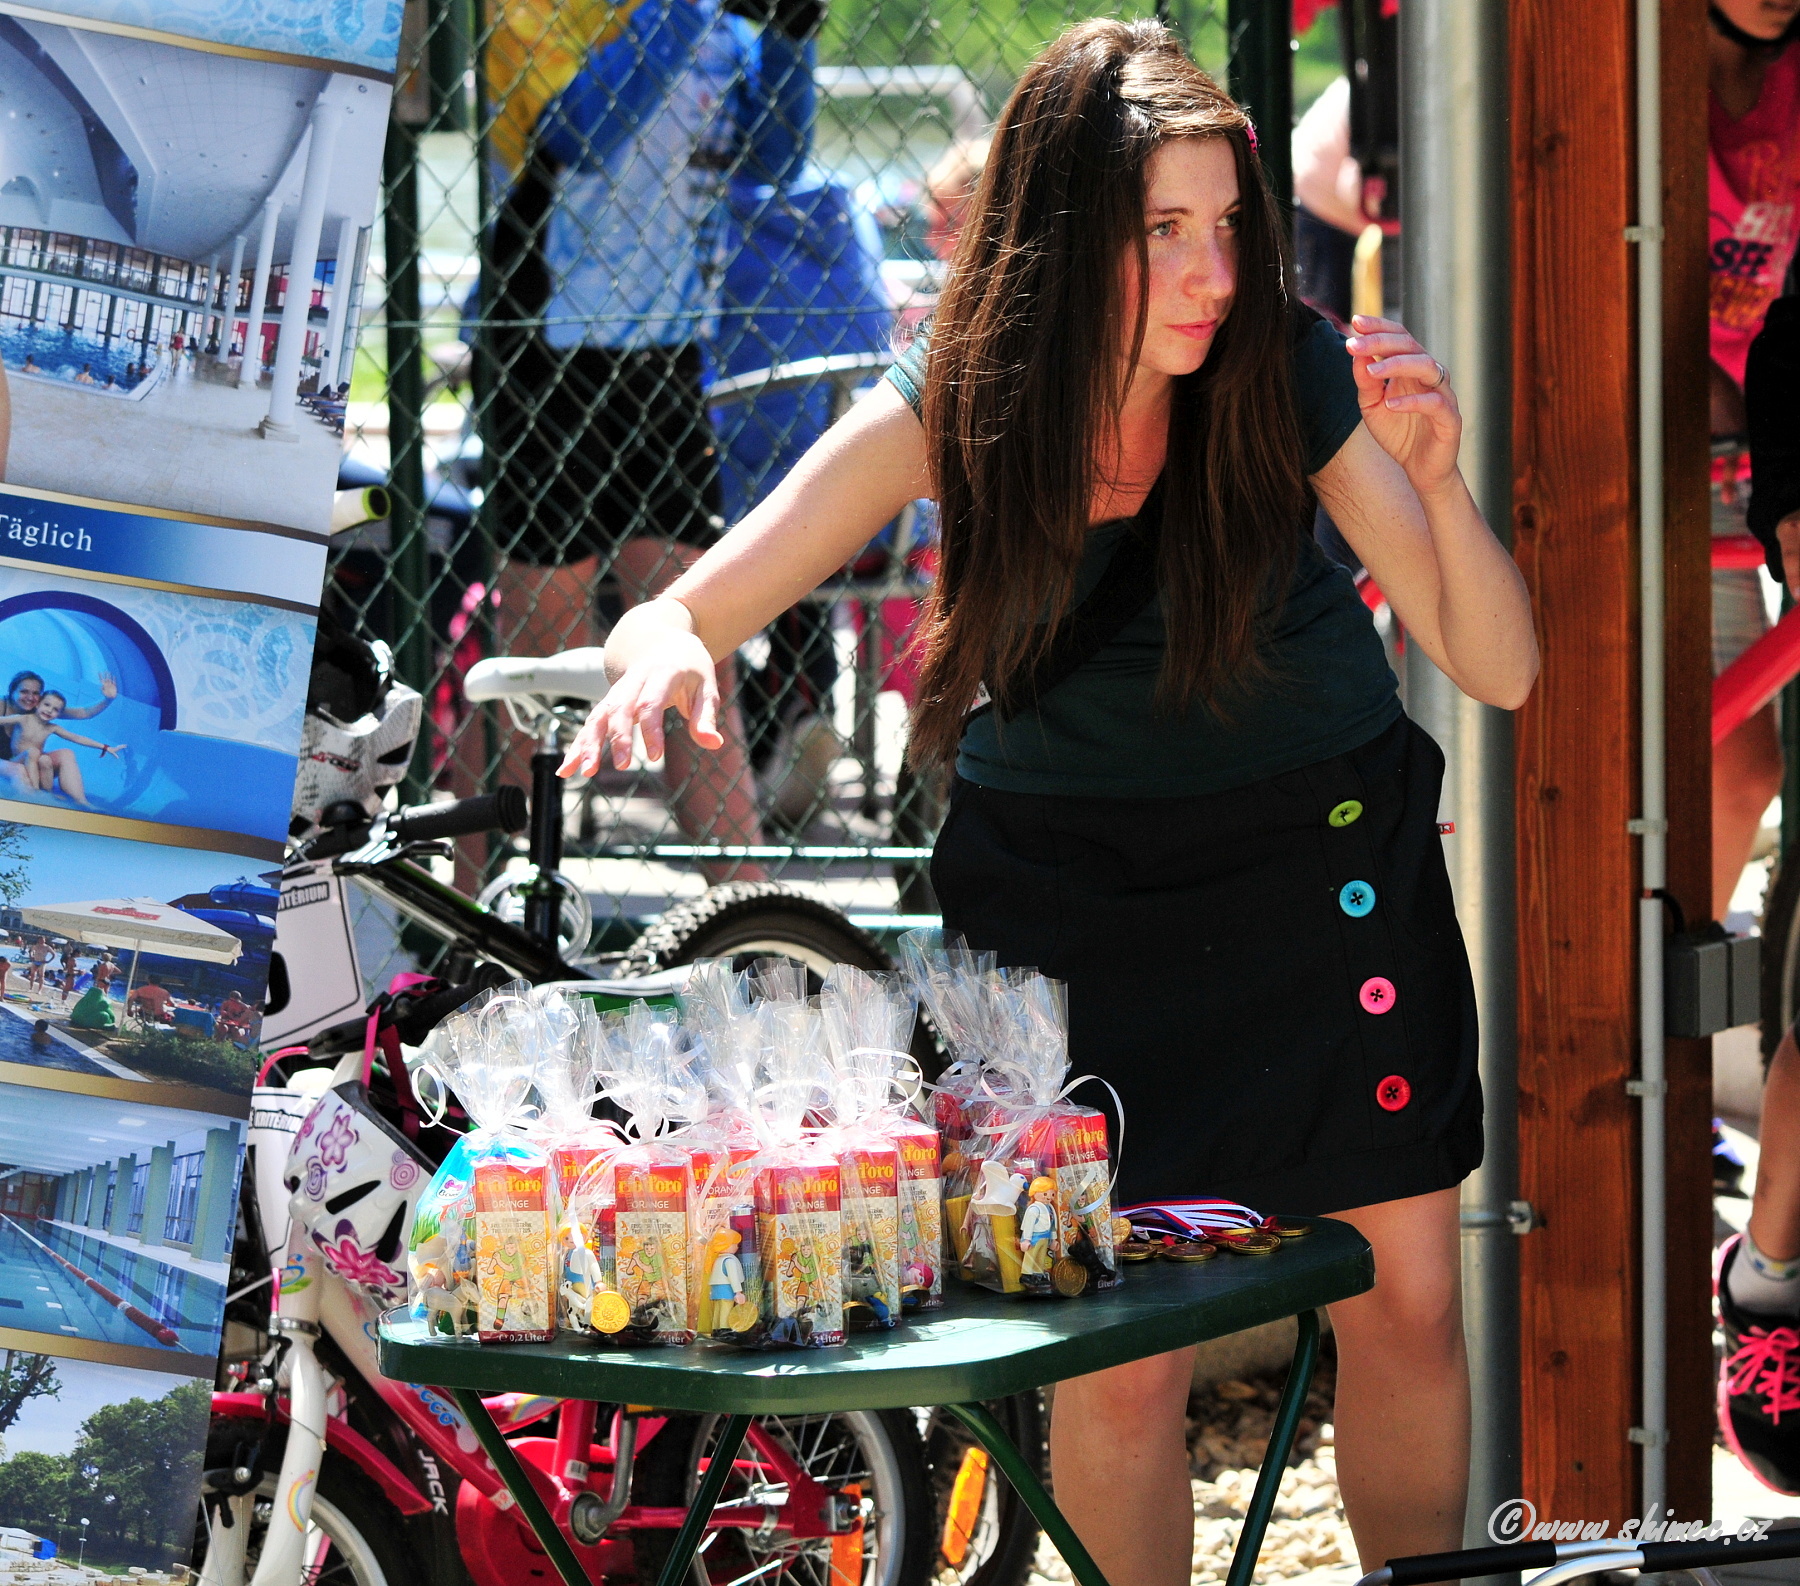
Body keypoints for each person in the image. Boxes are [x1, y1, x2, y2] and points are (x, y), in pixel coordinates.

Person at [563, 22, 1537, 1576]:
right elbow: (704, 595)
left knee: (1406, 1296)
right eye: (1167, 232)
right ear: (1071, 234)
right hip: (1069, 910)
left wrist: (1436, 476)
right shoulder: (957, 391)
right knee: (1119, 1355)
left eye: (1229, 225)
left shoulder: (1285, 364)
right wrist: (664, 646)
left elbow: (1496, 662)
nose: (1213, 272)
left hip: (1319, 872)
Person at [479, 0, 821, 876]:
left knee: (695, 648)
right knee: (537, 657)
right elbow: (579, 134)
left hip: (667, 359)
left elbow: (774, 160)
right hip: (548, 353)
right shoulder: (541, 11)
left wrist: (788, 39)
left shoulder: (713, 25)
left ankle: (748, 920)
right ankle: (476, 910)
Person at [1707, 0, 1800, 920]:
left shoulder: (1791, 78)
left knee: (1743, 771)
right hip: (1618, 432)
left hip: (1744, 446)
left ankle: (1670, 972)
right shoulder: (1633, 73)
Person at [0, 690, 126, 805]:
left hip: (36, 765)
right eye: (47, 705)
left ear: (59, 714)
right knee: (33, 752)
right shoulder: (23, 719)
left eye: (55, 709)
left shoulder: (52, 728)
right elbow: (2, 720)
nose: (49, 710)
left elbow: (77, 738)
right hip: (19, 761)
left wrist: (105, 747)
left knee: (45, 759)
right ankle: (35, 792)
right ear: (37, 704)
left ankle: (52, 794)